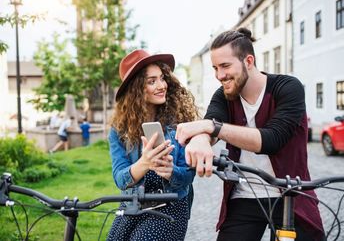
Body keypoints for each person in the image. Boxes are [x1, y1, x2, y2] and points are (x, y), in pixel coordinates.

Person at [175, 28, 325, 241]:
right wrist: (201, 139)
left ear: (248, 61)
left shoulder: (288, 87)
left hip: (291, 194)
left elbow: (272, 139)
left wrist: (211, 128)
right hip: (244, 195)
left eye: (225, 66)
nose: (220, 75)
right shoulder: (224, 95)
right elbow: (212, 122)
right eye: (215, 68)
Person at [107, 49, 199, 241]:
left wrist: (171, 171)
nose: (161, 85)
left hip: (170, 204)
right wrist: (145, 163)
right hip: (133, 204)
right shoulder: (119, 130)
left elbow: (189, 175)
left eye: (162, 78)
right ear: (136, 90)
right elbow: (120, 179)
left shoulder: (179, 123)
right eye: (151, 81)